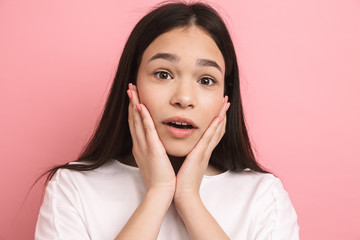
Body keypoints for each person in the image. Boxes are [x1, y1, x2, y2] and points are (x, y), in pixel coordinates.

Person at [35, 2, 299, 239]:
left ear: (225, 98)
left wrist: (189, 198)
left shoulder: (264, 197)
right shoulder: (72, 190)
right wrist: (158, 192)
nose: (184, 98)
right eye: (163, 74)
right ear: (132, 83)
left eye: (206, 80)